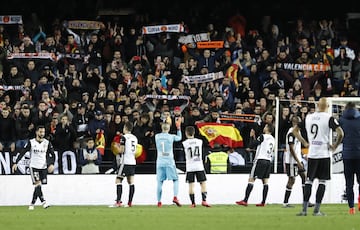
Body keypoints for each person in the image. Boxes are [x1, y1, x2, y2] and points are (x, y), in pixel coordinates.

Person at [297, 97, 344, 216]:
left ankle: (304, 210)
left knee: (309, 181)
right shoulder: (329, 118)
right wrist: (334, 145)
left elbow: (294, 131)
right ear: (327, 106)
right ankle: (316, 210)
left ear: (318, 106)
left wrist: (304, 142)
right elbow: (341, 133)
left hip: (312, 153)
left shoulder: (309, 117)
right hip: (323, 154)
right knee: (322, 182)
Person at [11, 125, 55, 210]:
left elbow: (52, 155)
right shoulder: (31, 142)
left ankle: (32, 204)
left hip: (43, 167)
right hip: (34, 166)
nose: (42, 134)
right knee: (37, 184)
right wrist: (16, 162)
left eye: (43, 132)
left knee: (38, 186)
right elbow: (23, 152)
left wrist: (51, 164)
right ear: (36, 132)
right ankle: (44, 202)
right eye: (40, 132)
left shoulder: (47, 143)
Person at [235, 123, 275, 207]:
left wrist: (251, 136)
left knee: (251, 179)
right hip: (268, 161)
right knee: (265, 181)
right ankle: (263, 202)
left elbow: (252, 144)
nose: (264, 128)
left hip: (260, 160)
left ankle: (245, 200)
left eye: (265, 126)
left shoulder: (263, 136)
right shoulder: (273, 139)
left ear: (267, 128)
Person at [109, 121, 138, 208]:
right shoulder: (134, 138)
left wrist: (116, 147)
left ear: (125, 128)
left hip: (125, 162)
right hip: (132, 162)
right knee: (131, 182)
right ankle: (129, 203)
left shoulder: (123, 137)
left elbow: (121, 150)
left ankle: (118, 202)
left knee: (118, 181)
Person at [155, 119, 182, 207]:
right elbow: (179, 138)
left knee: (159, 182)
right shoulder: (171, 136)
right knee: (175, 179)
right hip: (169, 161)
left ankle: (159, 202)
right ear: (169, 128)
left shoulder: (157, 136)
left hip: (160, 161)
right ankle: (175, 196)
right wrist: (178, 128)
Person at [282, 116, 308, 208]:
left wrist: (303, 156)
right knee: (292, 180)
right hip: (292, 161)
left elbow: (297, 148)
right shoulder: (291, 133)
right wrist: (298, 161)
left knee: (304, 177)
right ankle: (285, 202)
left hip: (298, 160)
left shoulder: (297, 132)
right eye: (300, 123)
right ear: (295, 123)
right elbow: (291, 149)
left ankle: (306, 201)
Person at [339, 101, 360, 215]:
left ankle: (351, 208)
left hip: (347, 154)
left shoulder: (342, 120)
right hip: (359, 153)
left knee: (349, 183)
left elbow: (339, 134)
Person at [182, 126, 211, 208]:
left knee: (191, 185)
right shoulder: (199, 141)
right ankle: (204, 200)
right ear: (194, 133)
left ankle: (193, 203)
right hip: (199, 165)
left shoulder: (185, 143)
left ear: (186, 133)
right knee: (203, 183)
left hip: (190, 166)